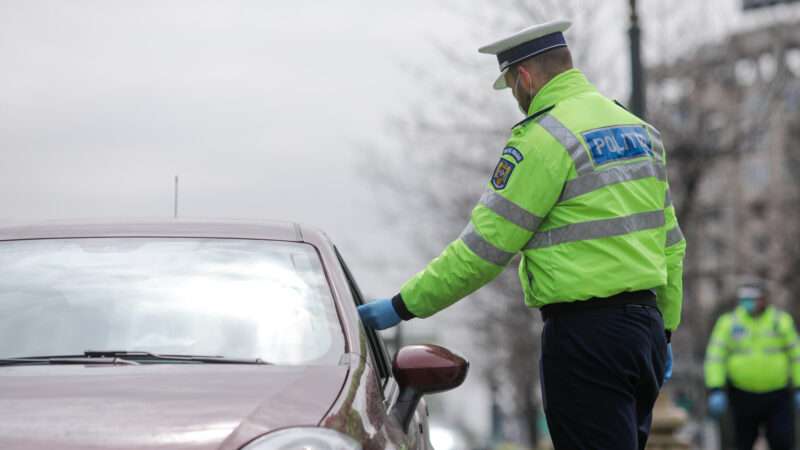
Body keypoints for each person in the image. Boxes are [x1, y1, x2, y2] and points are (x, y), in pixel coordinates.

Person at [359, 19, 686, 450]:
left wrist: (401, 306)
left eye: (512, 86)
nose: (516, 98)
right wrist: (664, 331)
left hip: (586, 337)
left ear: (525, 77)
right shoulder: (640, 131)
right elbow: (671, 245)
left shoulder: (544, 139)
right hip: (643, 333)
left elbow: (480, 252)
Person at [704, 282, 800, 450]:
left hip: (777, 396)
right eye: (744, 299)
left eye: (752, 299)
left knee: (783, 442)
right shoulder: (728, 323)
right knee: (741, 443)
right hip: (742, 395)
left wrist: (799, 387)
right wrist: (715, 388)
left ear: (764, 299)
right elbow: (715, 357)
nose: (747, 302)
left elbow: (796, 356)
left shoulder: (781, 321)